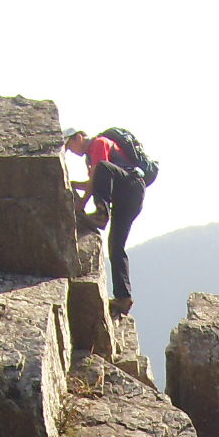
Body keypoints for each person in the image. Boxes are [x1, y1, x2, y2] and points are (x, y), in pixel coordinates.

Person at [65, 129, 146, 317]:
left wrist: (82, 204)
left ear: (78, 137)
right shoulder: (92, 157)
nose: (72, 151)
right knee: (115, 246)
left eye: (71, 146)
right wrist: (73, 185)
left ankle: (102, 213)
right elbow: (95, 181)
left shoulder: (99, 143)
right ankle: (123, 298)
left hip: (130, 187)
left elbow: (99, 172)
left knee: (102, 167)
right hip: (129, 196)